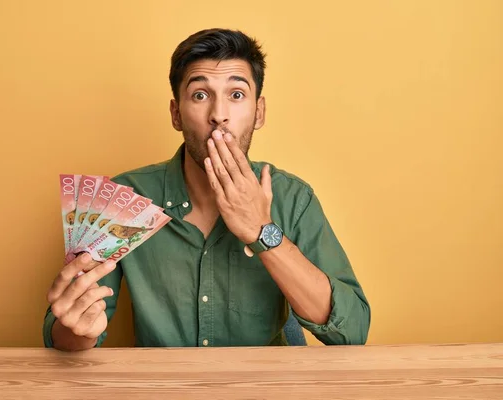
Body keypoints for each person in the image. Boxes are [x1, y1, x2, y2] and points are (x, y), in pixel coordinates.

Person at [43, 28, 371, 351]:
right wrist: (79, 331)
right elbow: (64, 339)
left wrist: (262, 230)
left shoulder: (293, 198)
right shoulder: (123, 197)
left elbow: (352, 331)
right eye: (200, 95)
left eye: (237, 95)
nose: (219, 116)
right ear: (176, 114)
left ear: (259, 113)